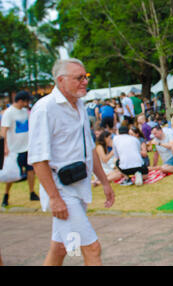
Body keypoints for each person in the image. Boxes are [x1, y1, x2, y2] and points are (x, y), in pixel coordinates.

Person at [28, 58, 115, 266]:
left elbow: (89, 148)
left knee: (59, 248)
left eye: (86, 77)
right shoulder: (45, 109)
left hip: (79, 185)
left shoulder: (80, 105)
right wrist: (54, 198)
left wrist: (104, 181)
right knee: (92, 248)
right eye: (79, 78)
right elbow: (38, 159)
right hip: (61, 189)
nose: (85, 81)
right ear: (61, 80)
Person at [1, 91, 39, 207]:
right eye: (27, 101)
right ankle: (6, 194)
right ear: (21, 101)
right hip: (14, 149)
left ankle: (32, 192)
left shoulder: (25, 112)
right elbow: (4, 131)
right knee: (12, 173)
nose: (28, 103)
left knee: (30, 170)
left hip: (27, 147)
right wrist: (5, 147)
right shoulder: (9, 113)